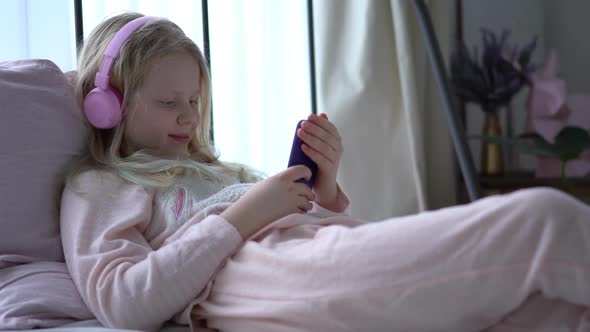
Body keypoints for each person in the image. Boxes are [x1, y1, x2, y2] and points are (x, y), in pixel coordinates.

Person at [59, 12, 590, 332]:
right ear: (107, 105)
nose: (190, 116)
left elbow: (306, 229)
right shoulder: (100, 183)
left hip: (309, 250)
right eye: (169, 101)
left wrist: (325, 188)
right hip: (251, 273)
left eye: (196, 99)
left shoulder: (219, 171)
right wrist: (243, 216)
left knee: (551, 311)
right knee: (545, 221)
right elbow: (125, 303)